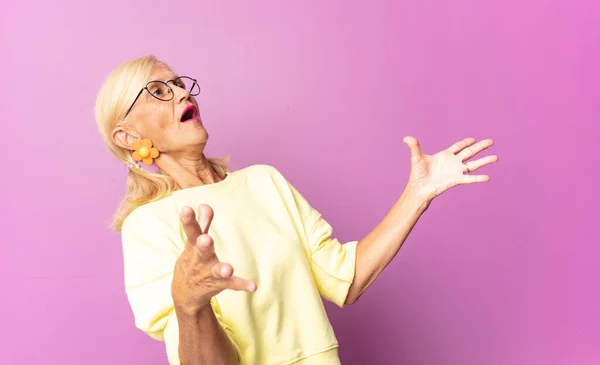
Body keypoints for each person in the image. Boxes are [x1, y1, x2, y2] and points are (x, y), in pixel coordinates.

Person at [94, 55, 498, 365]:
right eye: (160, 91)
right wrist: (189, 303)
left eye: (180, 84)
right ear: (128, 136)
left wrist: (417, 194)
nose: (183, 93)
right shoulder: (147, 226)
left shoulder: (265, 183)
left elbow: (348, 279)